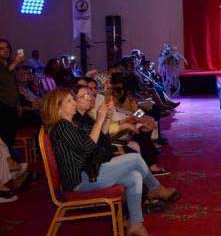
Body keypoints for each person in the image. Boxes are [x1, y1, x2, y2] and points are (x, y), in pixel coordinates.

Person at [42, 89, 178, 236]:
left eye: (73, 99)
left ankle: (136, 225)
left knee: (134, 176)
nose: (74, 102)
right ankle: (155, 189)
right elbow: (88, 148)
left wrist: (105, 118)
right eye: (69, 101)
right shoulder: (62, 127)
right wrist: (99, 120)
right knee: (135, 159)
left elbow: (101, 140)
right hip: (80, 180)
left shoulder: (71, 125)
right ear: (58, 109)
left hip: (89, 172)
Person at [0, 39, 23, 148]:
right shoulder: (7, 66)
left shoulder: (9, 65)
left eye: (7, 47)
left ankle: (10, 155)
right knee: (4, 136)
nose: (6, 50)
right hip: (2, 104)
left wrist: (18, 104)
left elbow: (14, 85)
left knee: (11, 135)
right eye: (1, 48)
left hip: (12, 104)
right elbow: (4, 76)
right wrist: (15, 62)